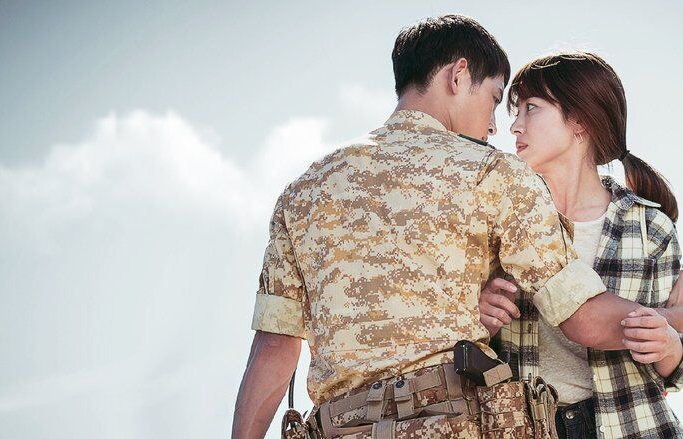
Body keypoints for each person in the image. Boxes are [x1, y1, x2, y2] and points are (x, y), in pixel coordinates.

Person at [232, 16, 667, 439]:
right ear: (458, 76)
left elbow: (274, 349)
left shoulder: (305, 190)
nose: (494, 125)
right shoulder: (495, 174)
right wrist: (672, 323)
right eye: (494, 99)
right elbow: (584, 318)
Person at [480, 52, 683, 438]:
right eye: (515, 111)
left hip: (634, 427)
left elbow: (675, 367)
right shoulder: (501, 220)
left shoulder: (651, 228)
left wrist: (672, 348)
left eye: (531, 108)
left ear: (579, 121)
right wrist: (478, 315)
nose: (515, 125)